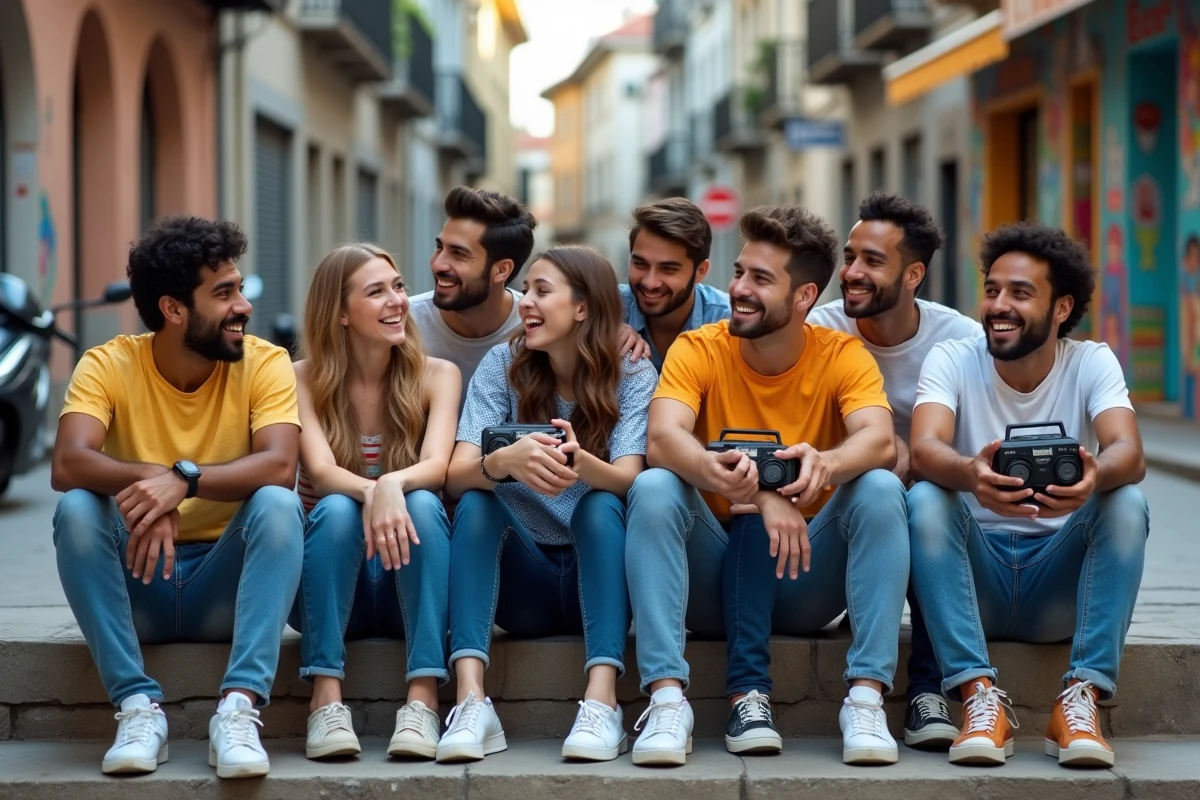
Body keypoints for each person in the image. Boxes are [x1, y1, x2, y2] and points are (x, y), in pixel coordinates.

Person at [626, 206, 910, 767]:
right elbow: (662, 438)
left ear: (804, 296)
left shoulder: (841, 355)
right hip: (705, 578)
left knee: (881, 488)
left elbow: (880, 441)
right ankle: (666, 701)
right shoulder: (699, 348)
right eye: (739, 272)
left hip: (808, 576)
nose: (738, 289)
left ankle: (865, 700)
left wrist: (823, 465)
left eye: (760, 279)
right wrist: (757, 494)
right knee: (655, 486)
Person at [50, 216, 303, 779]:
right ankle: (137, 707)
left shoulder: (265, 361)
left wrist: (184, 482)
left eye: (240, 288)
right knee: (77, 509)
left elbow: (280, 465)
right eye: (224, 293)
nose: (243, 306)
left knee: (278, 505)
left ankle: (239, 708)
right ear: (173, 309)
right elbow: (67, 462)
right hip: (141, 583)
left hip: (225, 589)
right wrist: (152, 483)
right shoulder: (109, 363)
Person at [908, 222, 1149, 769]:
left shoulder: (1090, 361)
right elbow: (923, 449)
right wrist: (971, 474)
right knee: (924, 498)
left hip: (1056, 585)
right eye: (992, 290)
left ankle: (1080, 701)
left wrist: (1092, 479)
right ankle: (978, 699)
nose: (999, 305)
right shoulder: (953, 358)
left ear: (1061, 308)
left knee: (1126, 502)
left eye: (1020, 293)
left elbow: (1129, 452)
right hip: (975, 581)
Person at [438, 245, 658, 764]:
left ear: (582, 307)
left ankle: (602, 702)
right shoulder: (504, 364)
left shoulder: (631, 372)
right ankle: (471, 701)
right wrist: (503, 462)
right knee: (477, 503)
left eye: (542, 291)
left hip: (597, 577)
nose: (525, 303)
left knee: (600, 507)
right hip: (522, 581)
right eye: (526, 291)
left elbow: (630, 480)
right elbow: (455, 475)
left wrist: (582, 463)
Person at [808, 192, 981, 751]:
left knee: (924, 497)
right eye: (850, 256)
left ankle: (927, 691)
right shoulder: (819, 329)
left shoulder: (960, 340)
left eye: (872, 261)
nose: (851, 272)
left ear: (913, 275)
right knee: (884, 488)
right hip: (845, 511)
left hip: (930, 513)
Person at [287, 244, 461, 761]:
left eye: (399, 286)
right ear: (340, 312)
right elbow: (321, 473)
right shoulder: (299, 378)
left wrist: (391, 486)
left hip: (412, 584)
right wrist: (373, 489)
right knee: (335, 509)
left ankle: (423, 699)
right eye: (376, 291)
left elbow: (438, 465)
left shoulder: (438, 375)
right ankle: (325, 700)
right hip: (332, 588)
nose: (397, 301)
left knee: (423, 503)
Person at [408, 186, 538, 409]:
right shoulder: (405, 324)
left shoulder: (535, 329)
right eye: (439, 247)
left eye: (459, 254)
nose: (438, 264)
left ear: (502, 270)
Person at [618, 198, 729, 371]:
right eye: (640, 264)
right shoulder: (606, 309)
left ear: (700, 272)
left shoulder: (728, 321)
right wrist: (605, 330)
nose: (650, 282)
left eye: (668, 269)